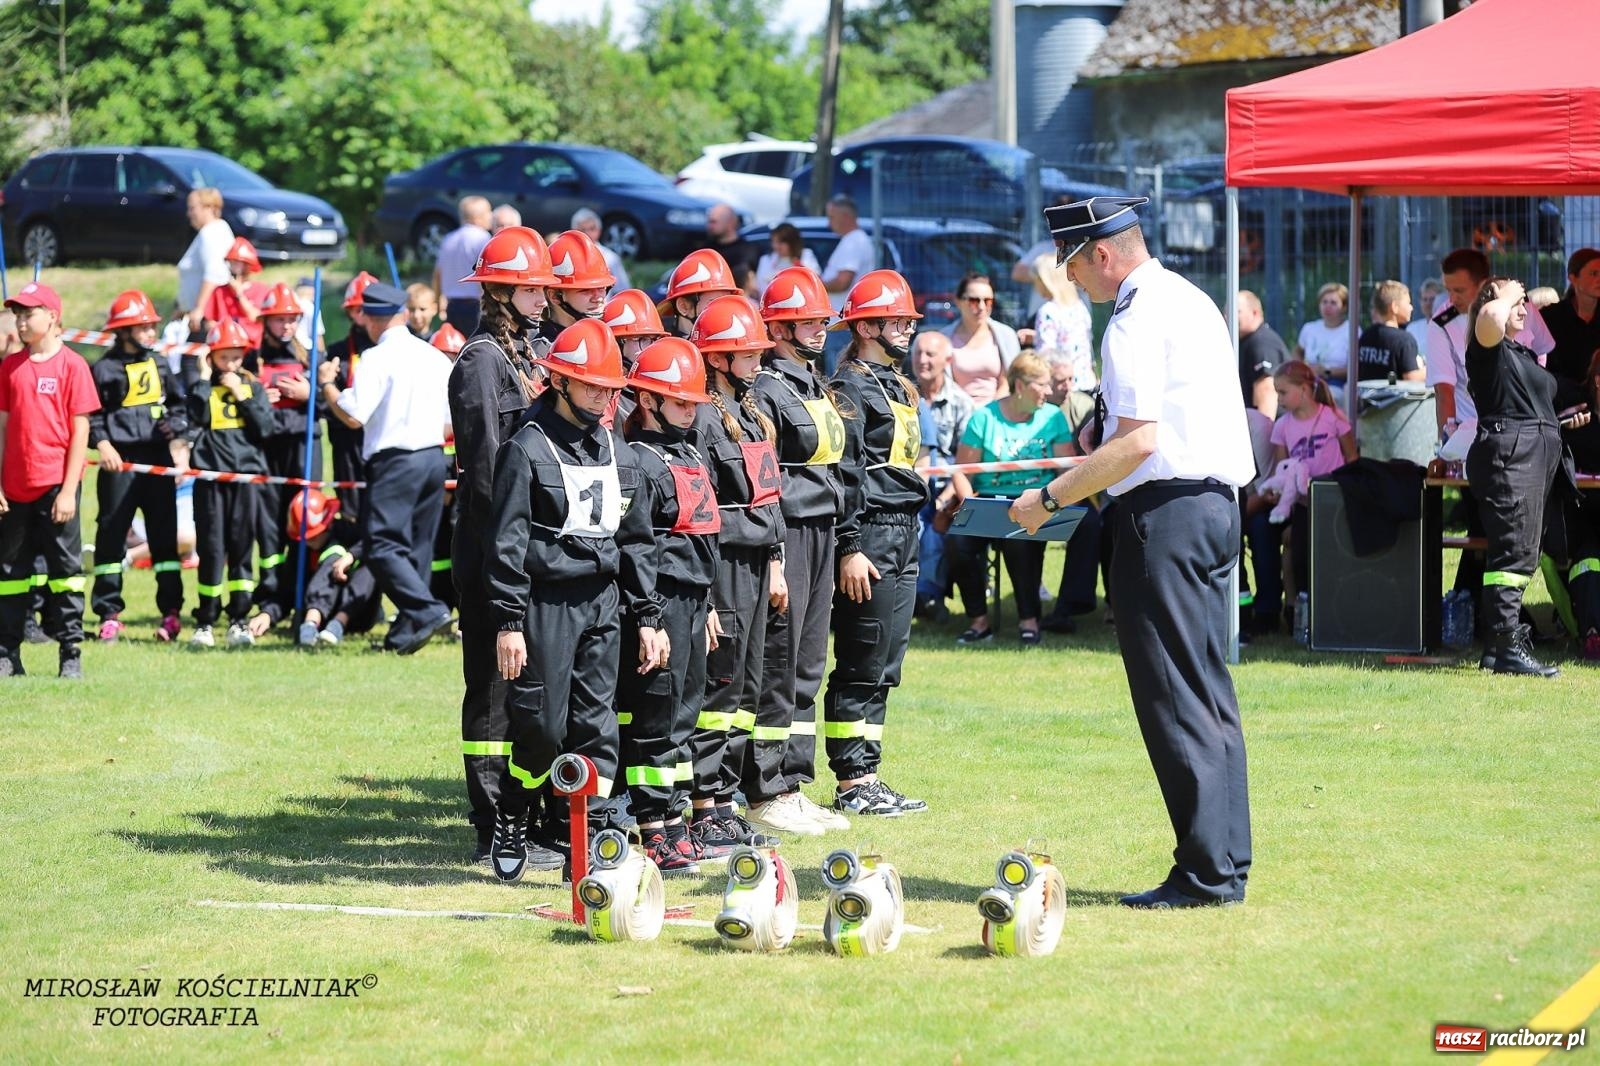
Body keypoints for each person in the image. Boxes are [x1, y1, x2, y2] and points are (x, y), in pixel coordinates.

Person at [1011, 195, 1255, 909]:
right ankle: (1222, 864)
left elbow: (1140, 442)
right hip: (1209, 508)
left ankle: (1207, 873)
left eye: (1074, 263)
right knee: (1206, 693)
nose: (1073, 279)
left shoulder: (1135, 314)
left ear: (1103, 254)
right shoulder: (1188, 298)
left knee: (1175, 698)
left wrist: (1049, 499)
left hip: (1164, 516)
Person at [482, 319, 662, 883]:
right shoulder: (525, 448)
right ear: (560, 382)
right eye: (592, 388)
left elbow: (635, 539)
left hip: (603, 603)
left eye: (610, 389)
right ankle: (513, 810)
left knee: (596, 727)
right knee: (542, 728)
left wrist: (649, 616)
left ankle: (592, 838)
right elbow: (506, 541)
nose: (604, 399)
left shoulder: (618, 449)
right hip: (544, 605)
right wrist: (509, 620)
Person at [446, 225, 561, 868]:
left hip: (531, 546)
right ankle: (491, 826)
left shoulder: (533, 352)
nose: (542, 296)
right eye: (530, 286)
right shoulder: (481, 362)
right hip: (492, 544)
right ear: (499, 289)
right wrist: (509, 554)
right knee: (492, 689)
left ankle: (531, 821)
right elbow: (487, 470)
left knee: (533, 691)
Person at [747, 265, 850, 836]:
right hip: (789, 529)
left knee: (809, 661)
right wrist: (777, 555)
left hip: (823, 526)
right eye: (808, 321)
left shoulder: (811, 384)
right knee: (781, 661)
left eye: (820, 319)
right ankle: (765, 788)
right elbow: (765, 479)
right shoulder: (766, 388)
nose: (820, 329)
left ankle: (794, 780)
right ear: (780, 329)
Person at [823, 268, 930, 815]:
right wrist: (849, 546)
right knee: (862, 655)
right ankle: (851, 781)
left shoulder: (896, 384)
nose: (907, 330)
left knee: (886, 659)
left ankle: (869, 772)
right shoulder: (849, 389)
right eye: (897, 320)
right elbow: (846, 474)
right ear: (864, 327)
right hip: (871, 534)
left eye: (909, 320)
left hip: (905, 529)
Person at [618, 337, 723, 875]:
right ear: (650, 400)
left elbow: (700, 538)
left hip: (693, 601)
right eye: (679, 401)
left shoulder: (689, 453)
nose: (689, 410)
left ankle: (677, 819)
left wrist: (705, 604)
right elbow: (638, 549)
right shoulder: (638, 461)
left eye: (693, 402)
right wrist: (649, 618)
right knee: (655, 718)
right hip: (659, 605)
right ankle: (652, 827)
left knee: (684, 713)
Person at [684, 296, 786, 853]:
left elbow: (769, 497)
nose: (756, 362)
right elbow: (698, 507)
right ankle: (702, 806)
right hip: (721, 565)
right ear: (718, 358)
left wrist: (775, 561)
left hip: (754, 563)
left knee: (745, 688)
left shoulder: (750, 413)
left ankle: (723, 797)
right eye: (746, 354)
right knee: (719, 686)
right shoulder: (701, 416)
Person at [321, 282, 454, 656]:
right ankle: (404, 633)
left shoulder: (376, 359)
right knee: (419, 547)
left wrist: (329, 386)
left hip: (395, 459)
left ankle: (427, 611)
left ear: (370, 319)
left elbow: (353, 415)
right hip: (432, 456)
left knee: (380, 545)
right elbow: (449, 423)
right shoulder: (433, 356)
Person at [1464, 278, 1587, 677]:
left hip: (1530, 456)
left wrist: (1560, 422)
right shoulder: (1488, 346)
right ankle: (1507, 647)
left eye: (1524, 303)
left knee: (1521, 553)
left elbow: (1531, 408)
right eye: (1517, 302)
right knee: (1513, 554)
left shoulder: (1521, 353)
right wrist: (1503, 293)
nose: (1523, 308)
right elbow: (1488, 316)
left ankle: (1498, 648)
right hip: (1511, 459)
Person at [0, 283, 99, 679]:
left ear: (53, 317)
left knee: (67, 574)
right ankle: (7, 654)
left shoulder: (73, 366)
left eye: (29, 313)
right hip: (14, 491)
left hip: (57, 488)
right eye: (17, 314)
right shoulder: (9, 367)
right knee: (9, 575)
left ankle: (70, 652)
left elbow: (81, 433)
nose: (21, 321)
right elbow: (3, 430)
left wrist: (69, 490)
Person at [950, 352, 1076, 646]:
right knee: (957, 543)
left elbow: (1067, 470)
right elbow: (962, 471)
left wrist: (1050, 500)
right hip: (990, 500)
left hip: (1037, 499)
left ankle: (1029, 619)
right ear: (1020, 385)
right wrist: (970, 506)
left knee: (1019, 538)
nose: (1049, 391)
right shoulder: (984, 418)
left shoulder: (1053, 417)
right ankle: (978, 621)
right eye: (1042, 384)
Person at [87, 289, 191, 644]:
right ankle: (109, 614)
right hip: (119, 465)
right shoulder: (102, 368)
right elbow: (90, 415)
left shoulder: (160, 363)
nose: (151, 333)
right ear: (124, 330)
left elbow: (179, 406)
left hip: (157, 462)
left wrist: (176, 430)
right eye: (144, 327)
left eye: (152, 326)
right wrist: (103, 445)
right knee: (111, 535)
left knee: (164, 538)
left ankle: (171, 613)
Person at [184, 319, 274, 650]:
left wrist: (240, 393)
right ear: (212, 357)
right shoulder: (203, 388)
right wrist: (205, 380)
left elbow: (266, 428)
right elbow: (194, 416)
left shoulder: (254, 387)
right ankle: (205, 620)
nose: (231, 365)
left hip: (246, 479)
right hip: (210, 479)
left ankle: (238, 618)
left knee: (241, 549)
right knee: (211, 548)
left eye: (236, 357)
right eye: (224, 358)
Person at [1267, 360, 1358, 612]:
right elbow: (1282, 470)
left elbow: (1352, 459)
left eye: (1283, 392)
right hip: (1302, 504)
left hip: (1333, 500)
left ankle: (1334, 605)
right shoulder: (1282, 426)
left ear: (1304, 390)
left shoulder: (1332, 417)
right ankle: (1296, 606)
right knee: (1297, 549)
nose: (1279, 399)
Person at [909, 331, 972, 621]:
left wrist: (945, 501)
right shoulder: (900, 396)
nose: (923, 360)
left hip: (947, 493)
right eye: (918, 353)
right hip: (907, 487)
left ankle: (929, 597)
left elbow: (967, 462)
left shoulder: (961, 403)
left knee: (934, 531)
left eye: (930, 354)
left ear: (947, 359)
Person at [290, 492, 381, 648]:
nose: (310, 542)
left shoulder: (350, 532)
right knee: (333, 555)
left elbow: (375, 542)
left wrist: (351, 556)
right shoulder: (300, 547)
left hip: (357, 614)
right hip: (319, 610)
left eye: (314, 536)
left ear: (328, 524)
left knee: (371, 562)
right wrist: (268, 614)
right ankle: (310, 625)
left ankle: (337, 625)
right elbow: (285, 589)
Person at [323, 272, 378, 529]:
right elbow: (324, 402)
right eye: (357, 309)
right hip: (347, 443)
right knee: (351, 509)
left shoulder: (390, 350)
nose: (363, 315)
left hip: (380, 440)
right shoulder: (336, 353)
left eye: (368, 309)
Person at [943, 273, 1022, 405]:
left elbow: (1009, 381)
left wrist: (989, 414)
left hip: (998, 412)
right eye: (974, 301)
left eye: (988, 301)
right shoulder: (944, 339)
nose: (981, 307)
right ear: (958, 301)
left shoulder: (1006, 336)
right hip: (956, 413)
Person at [1539, 248, 1600, 406]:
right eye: (1594, 274)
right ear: (1573, 278)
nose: (1599, 279)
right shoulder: (1550, 317)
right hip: (1562, 400)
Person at [1031, 252, 1095, 391]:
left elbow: (1046, 354)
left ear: (1045, 280)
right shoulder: (1080, 307)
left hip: (1061, 387)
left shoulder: (1048, 311)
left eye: (1036, 280)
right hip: (1086, 383)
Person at [177, 188, 234, 341]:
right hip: (202, 314)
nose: (188, 214)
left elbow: (214, 273)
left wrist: (199, 308)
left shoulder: (211, 233)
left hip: (206, 317)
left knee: (191, 364)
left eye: (192, 208)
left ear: (208, 207)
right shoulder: (215, 230)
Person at [542, 229, 615, 346]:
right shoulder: (540, 350)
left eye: (602, 288)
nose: (598, 298)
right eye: (585, 290)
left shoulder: (608, 341)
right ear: (554, 295)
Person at [433, 196, 494, 337]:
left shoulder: (448, 239)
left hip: (452, 306)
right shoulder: (483, 238)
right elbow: (486, 277)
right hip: (475, 308)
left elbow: (437, 274)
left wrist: (437, 305)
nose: (491, 216)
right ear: (478, 217)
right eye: (488, 212)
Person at [657, 248, 741, 339]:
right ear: (683, 306)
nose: (723, 311)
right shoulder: (656, 346)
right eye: (713, 303)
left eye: (726, 303)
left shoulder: (732, 341)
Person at [202, 237, 269, 347]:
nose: (233, 267)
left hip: (252, 347)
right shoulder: (219, 291)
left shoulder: (261, 290)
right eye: (231, 262)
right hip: (225, 347)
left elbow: (256, 318)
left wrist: (239, 294)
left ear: (248, 266)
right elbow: (209, 323)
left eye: (238, 263)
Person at [1355, 280, 1424, 383]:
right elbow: (1411, 377)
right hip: (1393, 398)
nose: (1411, 307)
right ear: (1394, 307)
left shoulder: (1365, 335)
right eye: (1408, 303)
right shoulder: (1404, 340)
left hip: (1366, 397)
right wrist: (1429, 370)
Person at [1294, 281, 1351, 403]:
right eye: (1324, 302)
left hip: (1338, 385)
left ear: (1344, 306)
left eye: (1333, 303)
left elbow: (1357, 367)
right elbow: (1298, 351)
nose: (1327, 306)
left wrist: (1327, 372)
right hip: (1309, 381)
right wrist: (1303, 369)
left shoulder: (1351, 330)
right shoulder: (1309, 328)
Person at [1237, 289, 1288, 416]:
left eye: (1237, 311)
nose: (1227, 316)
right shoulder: (1247, 340)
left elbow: (1266, 389)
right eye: (1226, 311)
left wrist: (1263, 433)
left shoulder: (1261, 342)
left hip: (1274, 426)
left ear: (1255, 313)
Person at [820, 194, 874, 310]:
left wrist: (814, 286)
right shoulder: (854, 239)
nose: (828, 224)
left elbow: (842, 282)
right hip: (843, 319)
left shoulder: (853, 242)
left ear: (845, 216)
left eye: (831, 217)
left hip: (842, 320)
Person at [704, 203, 759, 296]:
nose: (710, 226)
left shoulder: (748, 250)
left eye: (714, 222)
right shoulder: (706, 250)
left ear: (730, 223)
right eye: (709, 222)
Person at [570, 207, 631, 291]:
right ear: (574, 231)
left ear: (599, 230)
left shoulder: (611, 258)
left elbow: (623, 290)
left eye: (592, 229)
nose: (587, 233)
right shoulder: (568, 256)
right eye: (582, 229)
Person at [754, 222, 821, 293]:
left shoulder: (806, 255)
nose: (776, 246)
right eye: (774, 242)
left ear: (792, 242)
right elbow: (760, 286)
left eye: (780, 242)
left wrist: (798, 264)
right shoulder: (766, 259)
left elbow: (814, 280)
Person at [1405, 278, 1443, 352]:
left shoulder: (1451, 329)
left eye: (1432, 299)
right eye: (1425, 299)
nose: (1428, 303)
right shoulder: (1412, 328)